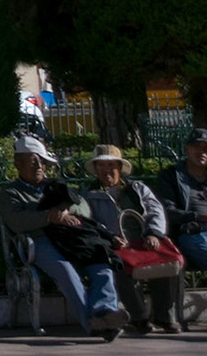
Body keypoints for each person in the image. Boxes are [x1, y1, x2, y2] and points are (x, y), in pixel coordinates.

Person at [0, 134, 129, 336]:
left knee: (102, 262)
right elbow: (16, 221)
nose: (39, 165)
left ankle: (104, 312)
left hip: (73, 239)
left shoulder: (56, 186)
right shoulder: (11, 193)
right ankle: (96, 326)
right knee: (66, 272)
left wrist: (66, 211)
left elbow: (84, 208)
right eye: (33, 161)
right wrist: (50, 217)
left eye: (42, 161)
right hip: (41, 240)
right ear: (17, 163)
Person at [84, 143, 182, 335]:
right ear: (95, 169)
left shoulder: (137, 188)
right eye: (101, 166)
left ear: (120, 168)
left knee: (168, 261)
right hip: (115, 245)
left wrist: (154, 233)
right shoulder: (88, 195)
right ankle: (139, 318)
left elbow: (155, 210)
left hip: (144, 241)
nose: (107, 170)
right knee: (118, 266)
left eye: (112, 165)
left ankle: (165, 317)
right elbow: (89, 223)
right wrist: (110, 238)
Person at [153, 127, 207, 273]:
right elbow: (167, 211)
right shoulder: (171, 176)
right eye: (197, 147)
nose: (202, 152)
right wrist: (197, 217)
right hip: (192, 232)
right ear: (187, 149)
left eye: (206, 148)